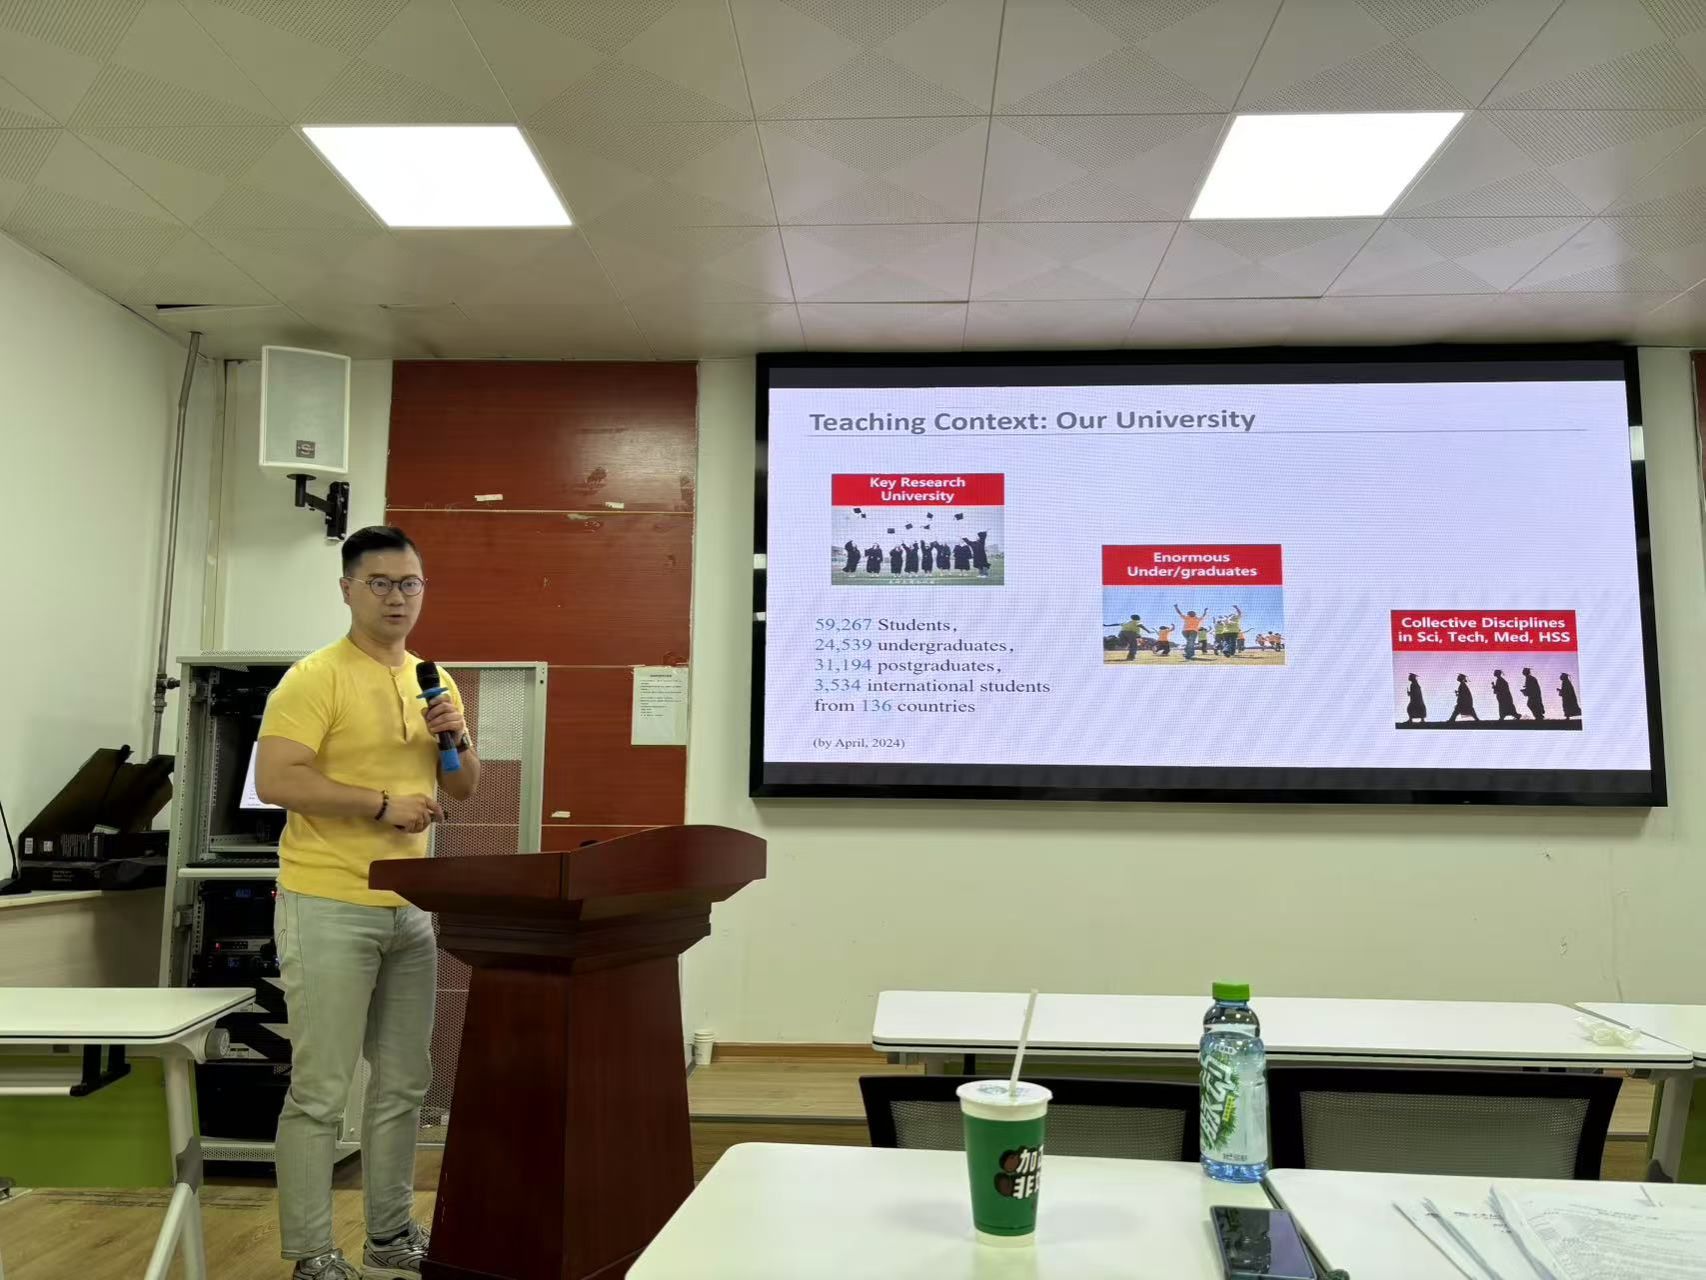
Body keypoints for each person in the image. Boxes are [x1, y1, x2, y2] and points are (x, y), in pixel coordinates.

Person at [255, 526, 481, 1280]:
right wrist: (381, 803)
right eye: (380, 583)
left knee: (404, 1083)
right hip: (326, 899)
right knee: (321, 1088)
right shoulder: (314, 678)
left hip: (408, 907)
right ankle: (312, 1252)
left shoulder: (433, 679)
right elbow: (277, 780)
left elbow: (463, 787)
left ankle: (389, 1235)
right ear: (347, 589)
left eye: (409, 583)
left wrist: (457, 737)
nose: (396, 598)